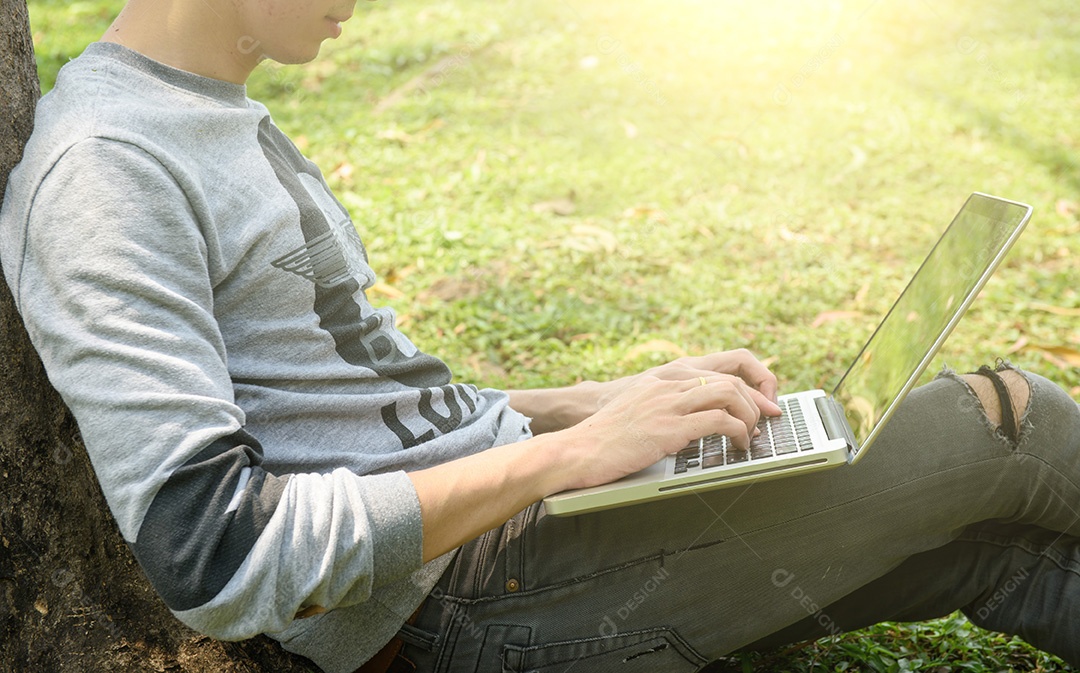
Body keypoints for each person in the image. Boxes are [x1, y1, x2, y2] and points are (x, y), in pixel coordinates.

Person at [2, 2, 1079, 672]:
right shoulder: (106, 170)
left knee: (983, 555)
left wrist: (605, 400)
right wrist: (566, 458)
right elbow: (215, 551)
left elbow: (364, 405)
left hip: (511, 527)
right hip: (460, 604)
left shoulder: (213, 105)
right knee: (1006, 426)